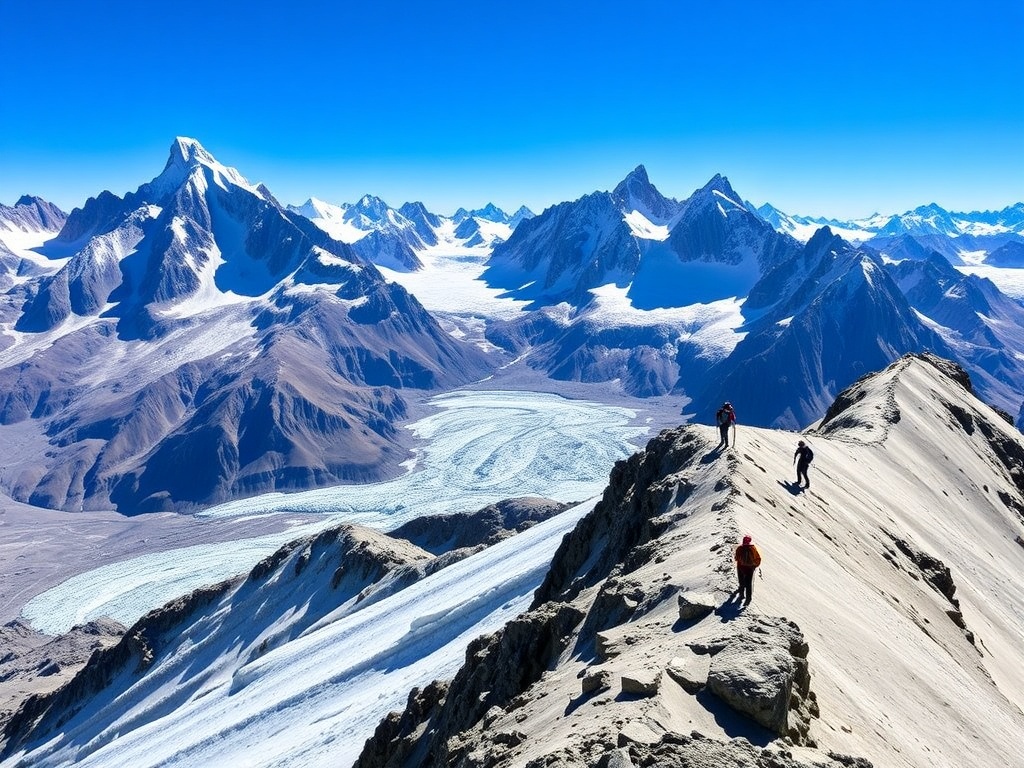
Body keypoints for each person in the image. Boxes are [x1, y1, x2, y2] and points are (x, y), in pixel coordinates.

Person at [734, 534, 761, 604]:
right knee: (749, 584)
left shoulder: (739, 548)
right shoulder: (753, 548)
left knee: (741, 582)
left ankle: (741, 595)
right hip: (750, 569)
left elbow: (736, 558)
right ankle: (748, 599)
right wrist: (755, 565)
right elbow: (758, 558)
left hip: (740, 567)